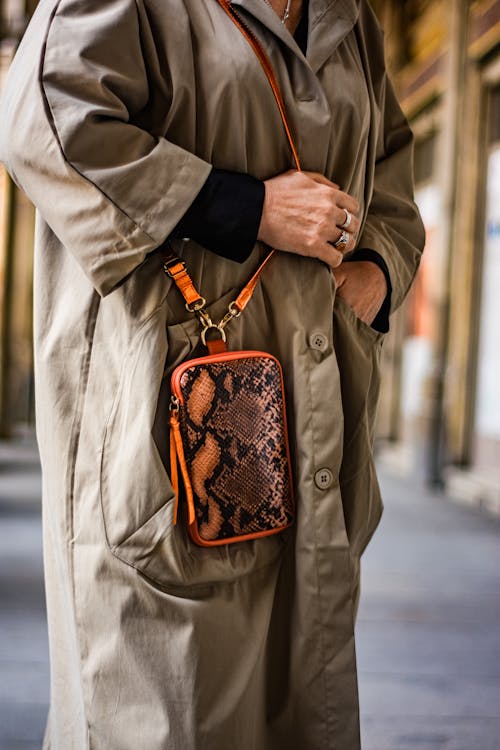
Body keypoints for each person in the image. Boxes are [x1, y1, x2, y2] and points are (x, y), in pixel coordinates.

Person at [0, 0, 425, 747]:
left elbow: (389, 155)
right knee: (167, 704)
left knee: (302, 700)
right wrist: (245, 206)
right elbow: (47, 121)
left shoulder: (348, 16)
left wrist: (378, 270)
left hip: (313, 413)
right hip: (167, 414)